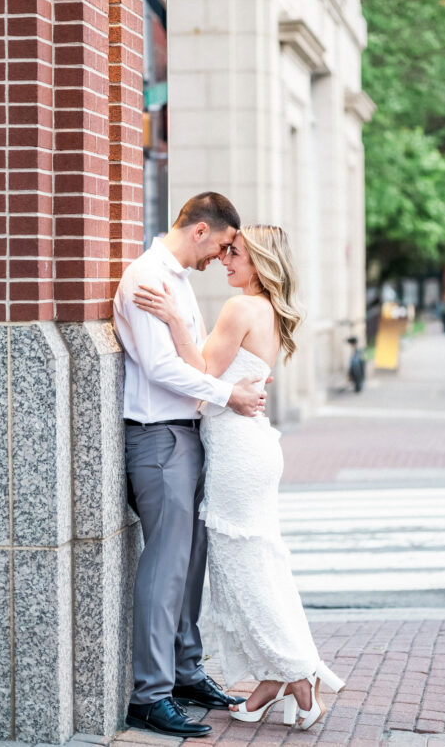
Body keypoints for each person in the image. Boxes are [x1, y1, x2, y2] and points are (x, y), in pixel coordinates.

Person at [132, 224, 345, 731]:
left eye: (236, 254)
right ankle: (275, 680)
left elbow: (203, 371)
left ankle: (298, 677)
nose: (226, 260)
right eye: (226, 251)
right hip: (250, 447)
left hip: (236, 452)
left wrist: (172, 321)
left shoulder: (240, 308)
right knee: (258, 562)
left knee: (244, 569)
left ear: (261, 263)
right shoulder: (267, 310)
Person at [113, 192, 265, 737]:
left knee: (191, 561)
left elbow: (193, 354)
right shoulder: (147, 278)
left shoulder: (176, 280)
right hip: (158, 440)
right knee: (168, 563)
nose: (221, 258)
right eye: (222, 245)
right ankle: (149, 695)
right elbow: (159, 369)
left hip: (187, 434)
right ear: (200, 231)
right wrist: (228, 395)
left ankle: (183, 670)